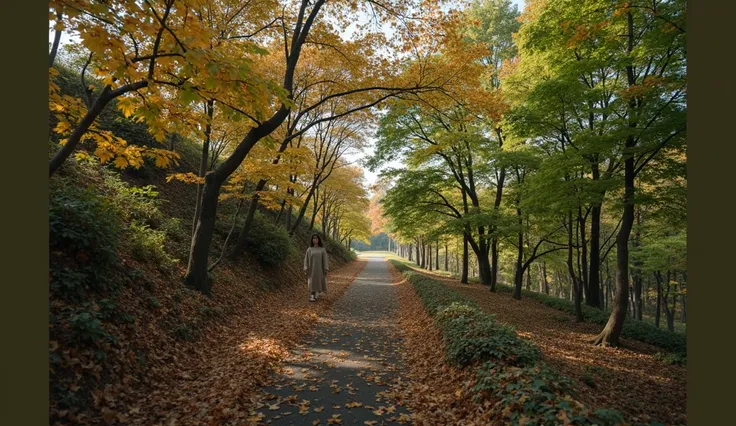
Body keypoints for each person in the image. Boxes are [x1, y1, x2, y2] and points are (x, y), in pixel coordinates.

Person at [304, 233, 328, 302]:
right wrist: (306, 267)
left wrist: (326, 268)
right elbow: (306, 259)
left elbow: (325, 260)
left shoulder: (322, 249)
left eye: (316, 238)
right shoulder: (309, 249)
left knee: (319, 281)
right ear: (312, 240)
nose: (315, 240)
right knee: (312, 282)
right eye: (313, 238)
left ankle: (317, 292)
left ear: (319, 240)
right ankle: (312, 295)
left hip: (320, 269)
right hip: (311, 269)